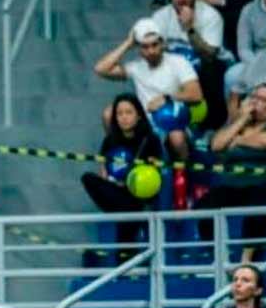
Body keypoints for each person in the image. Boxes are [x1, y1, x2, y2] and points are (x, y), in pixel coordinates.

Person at [199, 82, 266, 252]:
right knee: (204, 207)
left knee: (258, 208)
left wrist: (237, 141)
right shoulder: (238, 125)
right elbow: (217, 145)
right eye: (253, 97)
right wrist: (241, 119)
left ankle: (248, 260)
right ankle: (218, 255)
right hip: (233, 185)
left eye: (263, 99)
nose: (255, 103)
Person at [92, 18, 200, 163]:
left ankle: (183, 177)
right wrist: (128, 44)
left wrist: (166, 98)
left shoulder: (178, 62)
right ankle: (119, 159)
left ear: (162, 43)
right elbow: (100, 69)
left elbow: (196, 94)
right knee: (108, 114)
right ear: (139, 48)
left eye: (155, 45)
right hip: (143, 122)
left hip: (172, 120)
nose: (151, 51)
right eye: (145, 47)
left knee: (177, 137)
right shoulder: (136, 67)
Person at [80, 93, 163, 250]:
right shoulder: (110, 140)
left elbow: (156, 172)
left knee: (127, 215)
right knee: (88, 178)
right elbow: (103, 170)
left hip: (139, 194)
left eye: (128, 112)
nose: (124, 117)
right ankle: (123, 214)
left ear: (138, 115)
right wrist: (111, 180)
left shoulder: (150, 139)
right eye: (120, 113)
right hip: (117, 191)